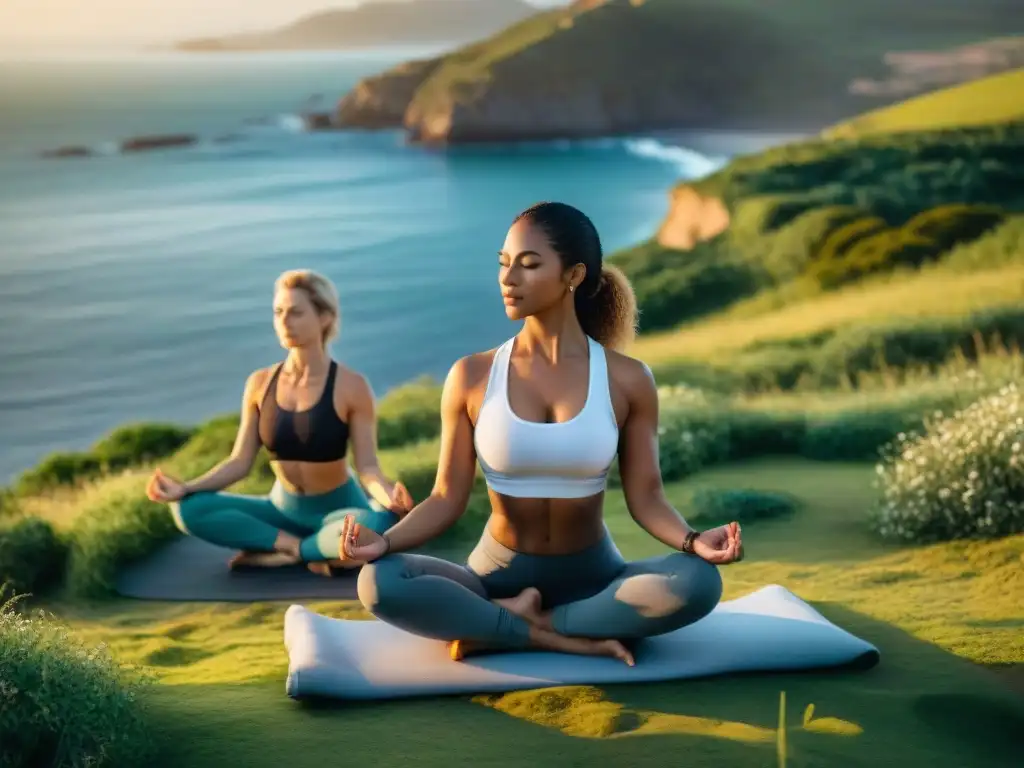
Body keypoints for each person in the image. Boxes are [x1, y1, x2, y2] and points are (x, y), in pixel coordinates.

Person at [337, 202, 743, 665]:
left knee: (700, 583)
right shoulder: (471, 375)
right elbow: (446, 497)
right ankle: (554, 633)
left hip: (594, 577)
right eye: (503, 263)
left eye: (528, 265)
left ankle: (506, 624)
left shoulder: (627, 379)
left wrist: (694, 542)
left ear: (573, 275)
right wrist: (385, 542)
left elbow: (647, 497)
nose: (508, 279)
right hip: (494, 573)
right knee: (377, 581)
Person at [145, 268, 413, 575]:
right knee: (190, 509)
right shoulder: (259, 383)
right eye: (278, 312)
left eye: (296, 312)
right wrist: (186, 488)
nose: (284, 322)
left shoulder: (352, 386)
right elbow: (239, 462)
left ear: (325, 317)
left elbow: (367, 467)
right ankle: (304, 549)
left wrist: (388, 497)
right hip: (280, 509)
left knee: (379, 524)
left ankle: (286, 550)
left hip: (337, 512)